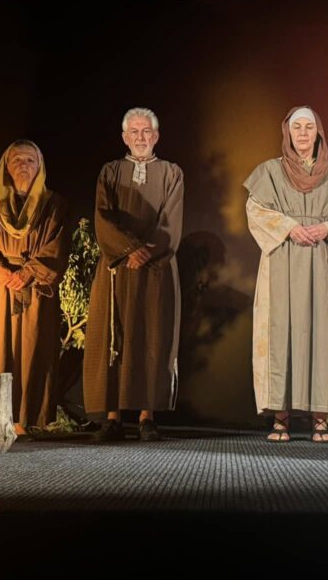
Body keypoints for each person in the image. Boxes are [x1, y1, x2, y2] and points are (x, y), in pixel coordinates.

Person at [244, 106, 328, 443]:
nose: (303, 133)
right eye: (297, 128)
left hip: (323, 261)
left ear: (318, 132)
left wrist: (327, 228)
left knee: (323, 335)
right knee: (282, 332)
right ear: (288, 133)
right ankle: (280, 419)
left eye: (309, 127)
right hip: (283, 259)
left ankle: (320, 419)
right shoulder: (269, 172)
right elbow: (256, 210)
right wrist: (289, 227)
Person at [84, 108, 184, 442]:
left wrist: (146, 252)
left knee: (151, 335)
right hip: (118, 267)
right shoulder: (110, 172)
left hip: (155, 268)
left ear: (156, 136)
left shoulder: (171, 173)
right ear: (125, 137)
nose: (141, 137)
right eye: (134, 132)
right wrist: (128, 249)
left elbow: (171, 221)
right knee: (114, 336)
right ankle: (112, 418)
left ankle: (146, 416)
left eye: (146, 131)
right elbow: (102, 217)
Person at [0, 140, 69, 436]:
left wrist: (28, 272)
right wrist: (0, 270)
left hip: (33, 289)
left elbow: (57, 246)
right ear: (6, 168)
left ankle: (23, 420)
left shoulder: (54, 205)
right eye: (17, 160)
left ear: (40, 167)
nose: (24, 165)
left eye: (30, 160)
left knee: (30, 351)